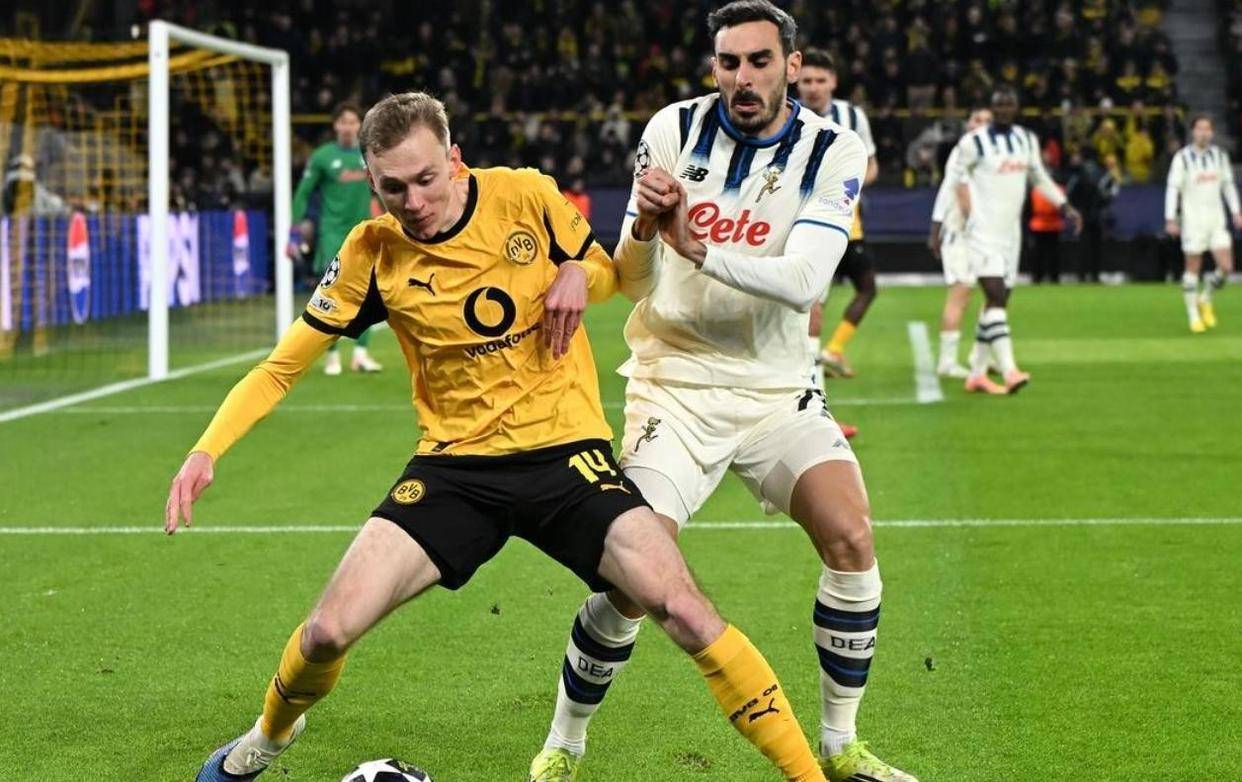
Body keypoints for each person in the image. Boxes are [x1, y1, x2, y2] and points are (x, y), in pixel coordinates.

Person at [171, 92, 830, 782]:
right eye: (393, 188)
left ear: (455, 159)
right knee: (326, 631)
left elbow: (613, 275)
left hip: (566, 456)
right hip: (454, 470)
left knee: (685, 609)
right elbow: (281, 367)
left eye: (426, 179)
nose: (414, 202)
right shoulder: (371, 252)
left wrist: (577, 272)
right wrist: (205, 450)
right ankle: (268, 737)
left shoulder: (525, 197)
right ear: (372, 183)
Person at [528, 4, 916, 781]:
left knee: (850, 538)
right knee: (633, 577)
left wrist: (698, 248)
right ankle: (563, 745)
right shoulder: (672, 129)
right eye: (729, 63)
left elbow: (805, 279)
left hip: (778, 390)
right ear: (714, 67)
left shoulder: (835, 149)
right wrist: (647, 228)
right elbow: (632, 277)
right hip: (674, 386)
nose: (743, 77)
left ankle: (840, 745)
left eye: (760, 61)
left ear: (791, 65)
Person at [951, 86, 1082, 395]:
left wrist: (1064, 205)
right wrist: (963, 217)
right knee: (996, 296)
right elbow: (955, 179)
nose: (1004, 110)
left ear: (1016, 108)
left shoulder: (1026, 139)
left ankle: (977, 373)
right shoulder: (972, 143)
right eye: (999, 105)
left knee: (998, 302)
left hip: (1011, 235)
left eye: (1009, 105)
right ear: (992, 108)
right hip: (982, 233)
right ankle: (1009, 370)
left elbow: (1039, 177)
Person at [797, 48, 880, 380]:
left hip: (847, 222)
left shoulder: (853, 117)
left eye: (820, 80)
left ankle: (823, 362)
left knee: (865, 287)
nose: (813, 87)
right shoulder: (785, 115)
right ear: (796, 81)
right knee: (811, 302)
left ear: (833, 81)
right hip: (802, 224)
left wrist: (851, 187)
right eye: (807, 81)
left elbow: (871, 165)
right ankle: (811, 381)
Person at [289, 102, 382, 375]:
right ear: (335, 125)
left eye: (353, 121)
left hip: (363, 230)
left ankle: (360, 355)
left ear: (360, 125)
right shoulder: (322, 157)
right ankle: (331, 355)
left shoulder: (370, 154)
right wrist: (294, 231)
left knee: (369, 292)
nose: (348, 127)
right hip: (332, 232)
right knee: (332, 293)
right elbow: (303, 192)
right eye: (343, 122)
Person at [928, 107, 991, 378]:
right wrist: (936, 228)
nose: (982, 125)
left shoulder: (989, 154)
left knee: (994, 294)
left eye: (987, 121)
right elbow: (957, 193)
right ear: (968, 125)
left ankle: (983, 355)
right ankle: (947, 361)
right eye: (977, 119)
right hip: (963, 235)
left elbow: (946, 189)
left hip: (978, 235)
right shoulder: (964, 151)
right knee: (961, 294)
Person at [1164, 114, 1241, 332]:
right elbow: (1173, 188)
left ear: (1212, 133)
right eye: (1199, 129)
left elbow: (1228, 185)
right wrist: (1170, 218)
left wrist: (1236, 212)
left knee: (1226, 267)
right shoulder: (1182, 158)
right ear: (1193, 132)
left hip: (1216, 220)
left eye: (1207, 129)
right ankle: (1193, 316)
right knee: (1193, 267)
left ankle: (1205, 297)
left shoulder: (1219, 156)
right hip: (1193, 221)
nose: (1203, 133)